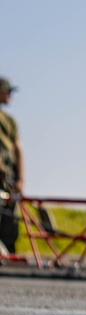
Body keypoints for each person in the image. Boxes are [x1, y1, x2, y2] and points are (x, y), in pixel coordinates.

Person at [0, 77, 25, 255]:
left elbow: (18, 150)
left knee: (11, 221)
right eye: (7, 91)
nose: (10, 95)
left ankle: (9, 255)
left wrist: (21, 179)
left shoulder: (9, 121)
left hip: (8, 179)